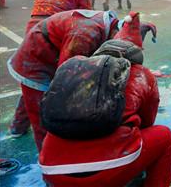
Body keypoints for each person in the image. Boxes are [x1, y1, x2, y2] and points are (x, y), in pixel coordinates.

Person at [38, 12, 171, 187]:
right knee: (164, 136)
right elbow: (147, 122)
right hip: (107, 170)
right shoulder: (142, 74)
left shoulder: (75, 68)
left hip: (52, 169)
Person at [7, 10, 121, 150]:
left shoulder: (106, 22)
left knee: (30, 96)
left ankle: (17, 128)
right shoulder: (85, 36)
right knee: (42, 112)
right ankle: (47, 157)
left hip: (47, 48)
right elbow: (67, 75)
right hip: (34, 60)